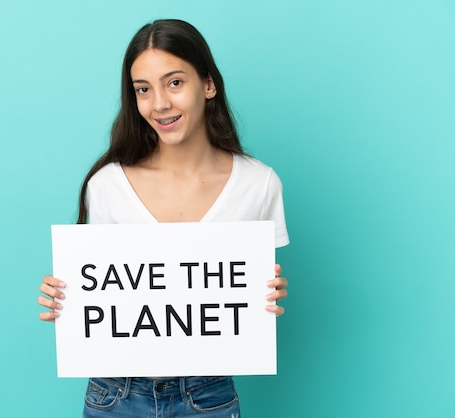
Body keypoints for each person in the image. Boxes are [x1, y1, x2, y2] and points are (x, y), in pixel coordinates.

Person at [37, 19, 289, 417]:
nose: (159, 104)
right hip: (115, 396)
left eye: (174, 83)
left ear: (208, 85)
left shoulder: (259, 184)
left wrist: (265, 296)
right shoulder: (107, 185)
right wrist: (69, 304)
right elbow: (105, 298)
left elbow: (244, 293)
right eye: (143, 89)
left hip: (208, 396)